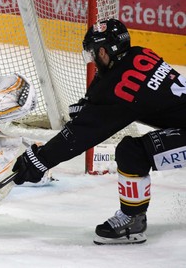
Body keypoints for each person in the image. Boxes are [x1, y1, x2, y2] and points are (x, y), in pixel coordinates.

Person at [11, 18, 186, 245]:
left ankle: (132, 221)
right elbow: (108, 86)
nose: (93, 59)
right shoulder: (139, 54)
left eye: (94, 53)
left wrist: (42, 160)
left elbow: (85, 133)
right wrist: (90, 103)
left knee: (132, 153)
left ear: (104, 51)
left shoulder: (121, 87)